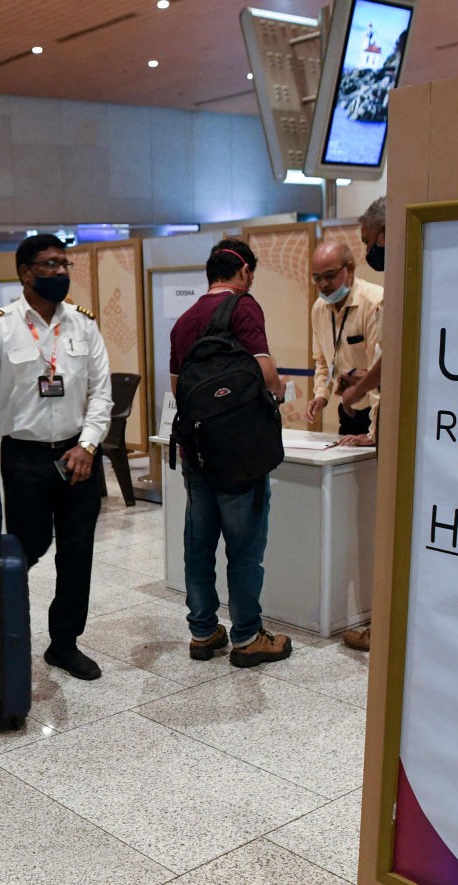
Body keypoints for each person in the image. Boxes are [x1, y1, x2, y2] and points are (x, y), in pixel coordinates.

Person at [0, 235, 111, 681]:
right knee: (27, 547)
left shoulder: (83, 324)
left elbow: (102, 394)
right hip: (25, 458)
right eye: (50, 264)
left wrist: (89, 444)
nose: (61, 271)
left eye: (64, 263)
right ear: (25, 273)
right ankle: (7, 629)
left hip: (78, 456)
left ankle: (64, 644)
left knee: (77, 555)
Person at [168, 240, 293, 668]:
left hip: (197, 452)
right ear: (242, 274)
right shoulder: (243, 307)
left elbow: (177, 389)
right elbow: (266, 371)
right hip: (241, 455)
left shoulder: (183, 321)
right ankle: (246, 636)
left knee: (199, 544)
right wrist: (274, 397)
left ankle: (203, 632)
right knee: (244, 547)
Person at [337, 197, 388, 653]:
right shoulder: (321, 308)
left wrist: (356, 393)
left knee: (387, 529)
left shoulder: (380, 299)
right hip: (376, 420)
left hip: (383, 416)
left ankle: (383, 626)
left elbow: (386, 364)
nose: (373, 250)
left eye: (371, 243)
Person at [304, 239, 382, 439]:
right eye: (317, 278)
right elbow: (322, 361)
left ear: (350, 268)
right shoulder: (319, 309)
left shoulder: (374, 302)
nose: (323, 285)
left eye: (329, 276)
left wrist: (374, 434)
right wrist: (321, 395)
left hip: (378, 413)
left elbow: (382, 374)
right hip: (348, 411)